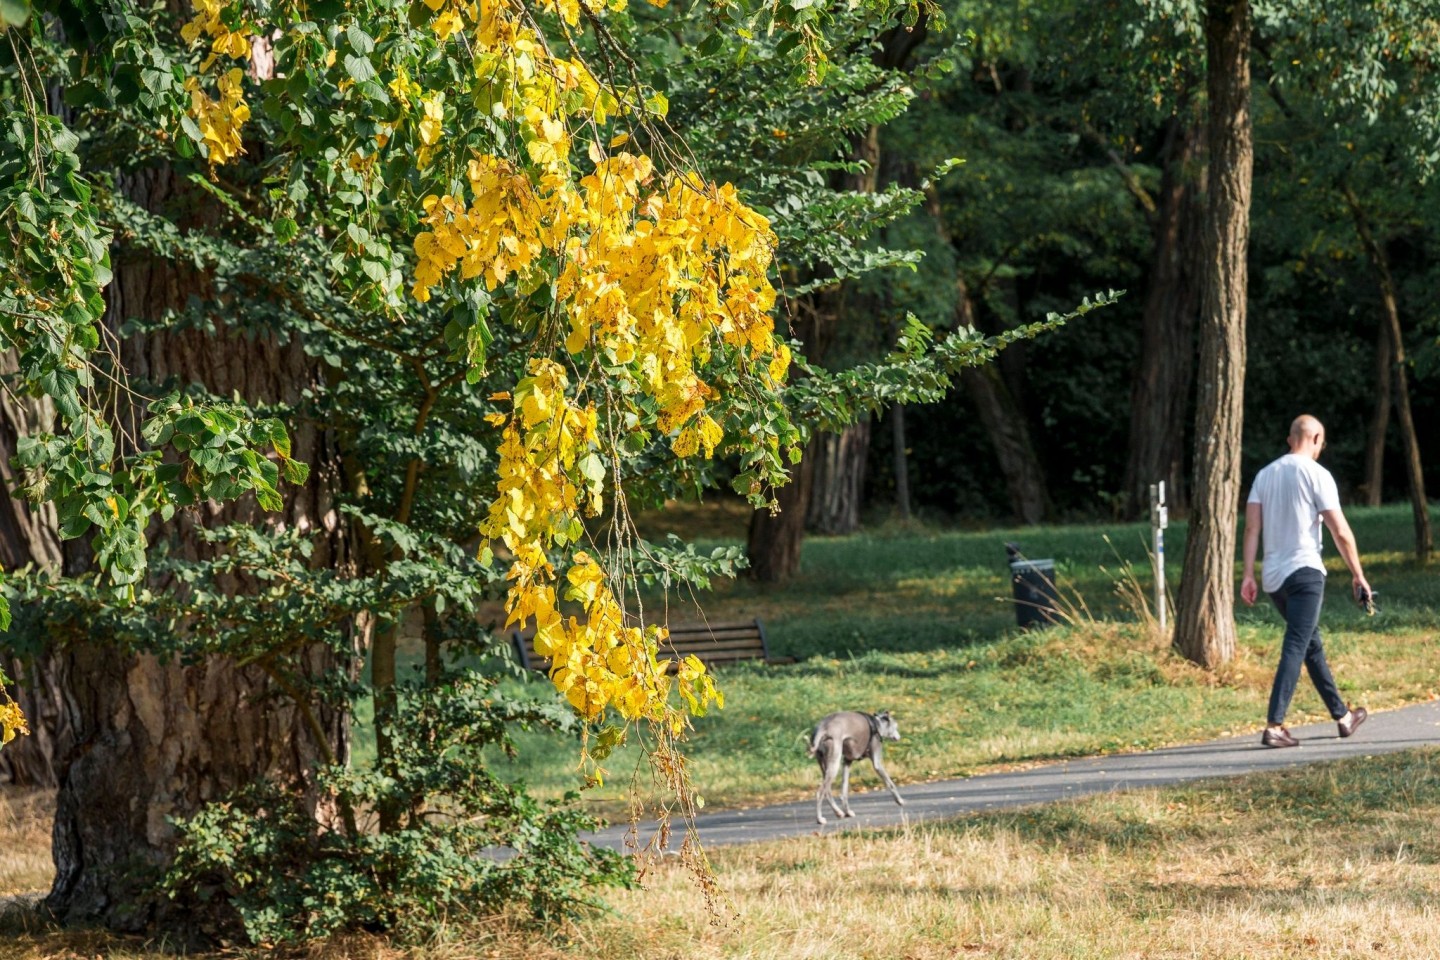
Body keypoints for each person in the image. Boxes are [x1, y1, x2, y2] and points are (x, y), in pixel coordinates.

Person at [1240, 414, 1370, 748]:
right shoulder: (1317, 474)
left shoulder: (1264, 475)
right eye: (1321, 443)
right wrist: (1358, 574)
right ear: (1314, 439)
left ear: (1289, 438)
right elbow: (1339, 530)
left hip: (1273, 578)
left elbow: (1252, 528)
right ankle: (1274, 726)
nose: (1320, 449)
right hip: (1306, 573)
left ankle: (1342, 716)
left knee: (1310, 644)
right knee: (1297, 644)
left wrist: (1249, 575)